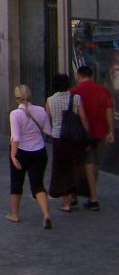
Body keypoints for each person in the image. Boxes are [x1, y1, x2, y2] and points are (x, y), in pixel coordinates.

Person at [8, 84, 53, 229]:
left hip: (21, 151)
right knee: (38, 184)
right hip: (39, 150)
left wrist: (13, 155)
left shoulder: (15, 114)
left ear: (16, 98)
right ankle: (46, 214)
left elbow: (16, 137)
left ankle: (14, 214)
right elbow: (47, 131)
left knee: (16, 182)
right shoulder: (40, 110)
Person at [71, 65, 115, 211]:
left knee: (88, 163)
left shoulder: (75, 92)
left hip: (84, 134)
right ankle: (91, 192)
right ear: (92, 76)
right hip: (101, 132)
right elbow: (109, 112)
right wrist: (110, 131)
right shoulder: (103, 91)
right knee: (95, 162)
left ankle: (93, 197)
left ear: (79, 76)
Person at [45, 73, 90, 212]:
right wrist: (87, 137)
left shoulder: (50, 101)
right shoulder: (76, 98)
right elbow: (83, 119)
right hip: (75, 138)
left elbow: (48, 122)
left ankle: (66, 202)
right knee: (75, 166)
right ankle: (74, 195)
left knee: (61, 169)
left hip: (59, 138)